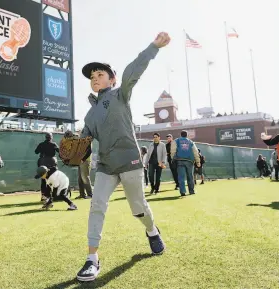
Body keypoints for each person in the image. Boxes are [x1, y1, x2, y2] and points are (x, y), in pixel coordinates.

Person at [76, 32, 170, 282]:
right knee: (97, 207)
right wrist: (78, 148)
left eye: (100, 75)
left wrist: (153, 47)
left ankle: (151, 231)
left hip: (129, 161)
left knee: (139, 208)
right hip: (106, 166)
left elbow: (133, 70)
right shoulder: (89, 115)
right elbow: (84, 144)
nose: (95, 79)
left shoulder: (121, 94)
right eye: (92, 77)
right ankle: (91, 259)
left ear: (112, 79)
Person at [171, 130, 201, 196]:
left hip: (180, 160)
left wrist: (173, 158)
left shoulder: (177, 140)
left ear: (180, 135)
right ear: (187, 135)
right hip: (189, 161)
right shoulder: (191, 142)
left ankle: (183, 192)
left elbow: (173, 150)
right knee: (190, 176)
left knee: (181, 177)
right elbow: (195, 152)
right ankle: (191, 191)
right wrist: (198, 161)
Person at [35, 133, 59, 201]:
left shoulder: (41, 144)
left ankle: (43, 196)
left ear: (45, 137)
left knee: (43, 179)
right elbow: (59, 151)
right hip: (52, 162)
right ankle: (51, 195)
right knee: (52, 178)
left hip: (42, 161)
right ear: (51, 138)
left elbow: (36, 152)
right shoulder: (53, 144)